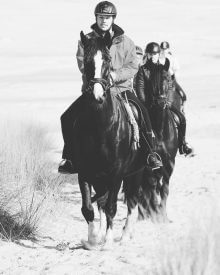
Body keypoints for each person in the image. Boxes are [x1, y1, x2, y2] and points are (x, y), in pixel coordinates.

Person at [58, 1, 162, 174]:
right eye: (101, 17)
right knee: (66, 117)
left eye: (107, 17)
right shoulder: (87, 40)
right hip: (94, 90)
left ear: (113, 19)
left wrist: (114, 76)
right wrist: (100, 78)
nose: (104, 20)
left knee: (143, 112)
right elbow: (83, 64)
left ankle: (150, 153)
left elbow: (133, 66)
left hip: (121, 90)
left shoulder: (126, 42)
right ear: (96, 18)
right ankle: (70, 159)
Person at [135, 42, 194, 156]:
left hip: (164, 102)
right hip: (150, 104)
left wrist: (168, 99)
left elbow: (170, 85)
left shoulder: (163, 68)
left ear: (158, 54)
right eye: (151, 54)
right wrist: (145, 104)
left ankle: (182, 144)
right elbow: (140, 88)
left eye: (155, 54)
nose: (153, 56)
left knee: (181, 119)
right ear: (147, 55)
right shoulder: (143, 70)